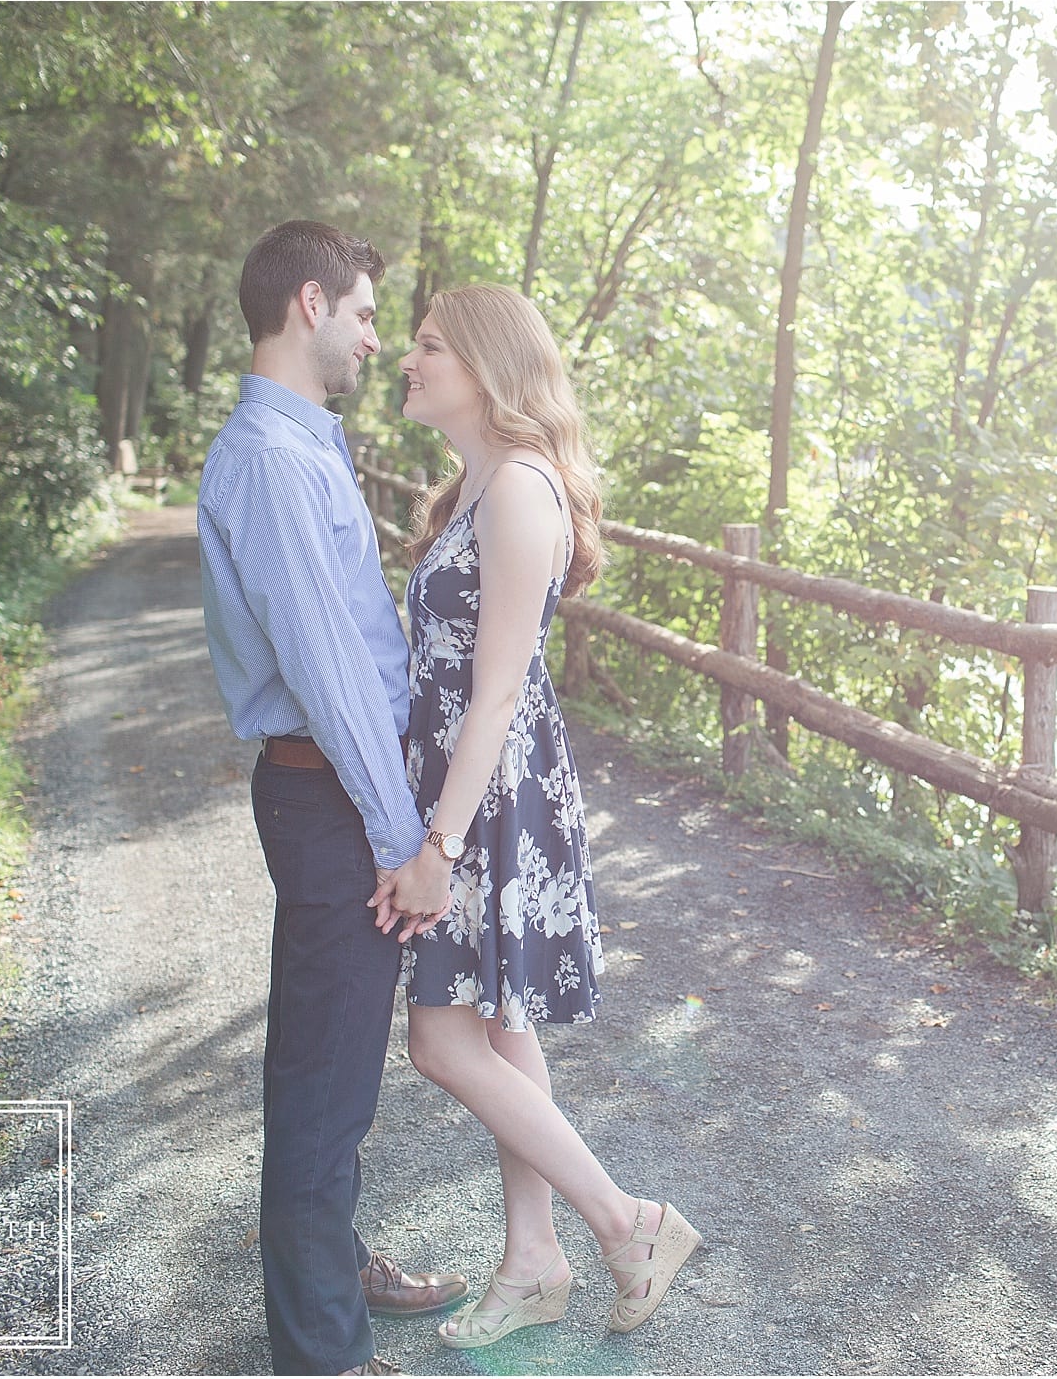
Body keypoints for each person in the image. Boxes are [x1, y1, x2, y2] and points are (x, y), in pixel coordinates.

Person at [389, 283, 699, 1349]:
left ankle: (628, 1220)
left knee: (441, 1039)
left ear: (485, 366)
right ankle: (534, 1260)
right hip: (471, 786)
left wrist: (437, 846)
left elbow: (497, 689)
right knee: (497, 1024)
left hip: (492, 798)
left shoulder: (520, 490)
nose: (408, 357)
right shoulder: (473, 486)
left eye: (430, 345)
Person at [198, 220, 469, 1376]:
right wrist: (405, 835)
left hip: (339, 797)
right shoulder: (269, 458)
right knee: (320, 1072)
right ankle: (323, 1352)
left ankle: (332, 1262)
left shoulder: (305, 445)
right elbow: (326, 668)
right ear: (311, 303)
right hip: (331, 801)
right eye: (364, 312)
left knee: (340, 1059)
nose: (375, 337)